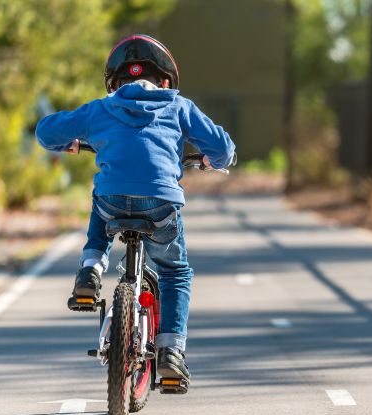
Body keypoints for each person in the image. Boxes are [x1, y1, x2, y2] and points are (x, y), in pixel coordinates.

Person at [35, 34, 235, 388]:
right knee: (175, 273)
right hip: (161, 205)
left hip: (112, 202)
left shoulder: (102, 108)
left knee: (102, 200)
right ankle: (171, 353)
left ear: (115, 83)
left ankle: (90, 270)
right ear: (166, 81)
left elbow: (46, 131)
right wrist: (213, 159)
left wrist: (70, 142)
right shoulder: (179, 106)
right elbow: (222, 147)